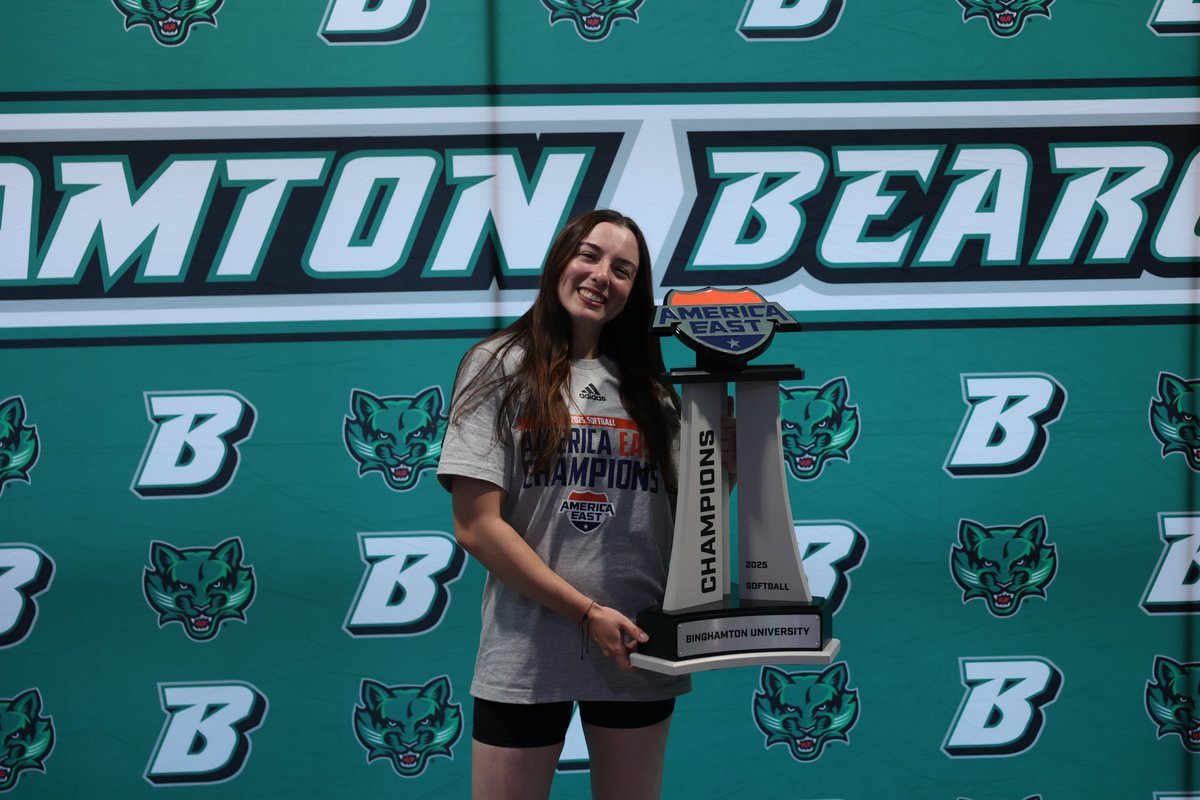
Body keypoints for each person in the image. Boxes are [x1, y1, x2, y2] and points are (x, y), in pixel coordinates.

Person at [437, 209, 690, 800]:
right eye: (591, 256)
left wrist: (724, 463)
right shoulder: (499, 364)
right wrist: (584, 612)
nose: (604, 275)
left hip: (636, 646)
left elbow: (683, 520)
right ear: (561, 261)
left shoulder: (651, 390)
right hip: (526, 650)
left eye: (623, 269)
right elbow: (476, 526)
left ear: (634, 293)